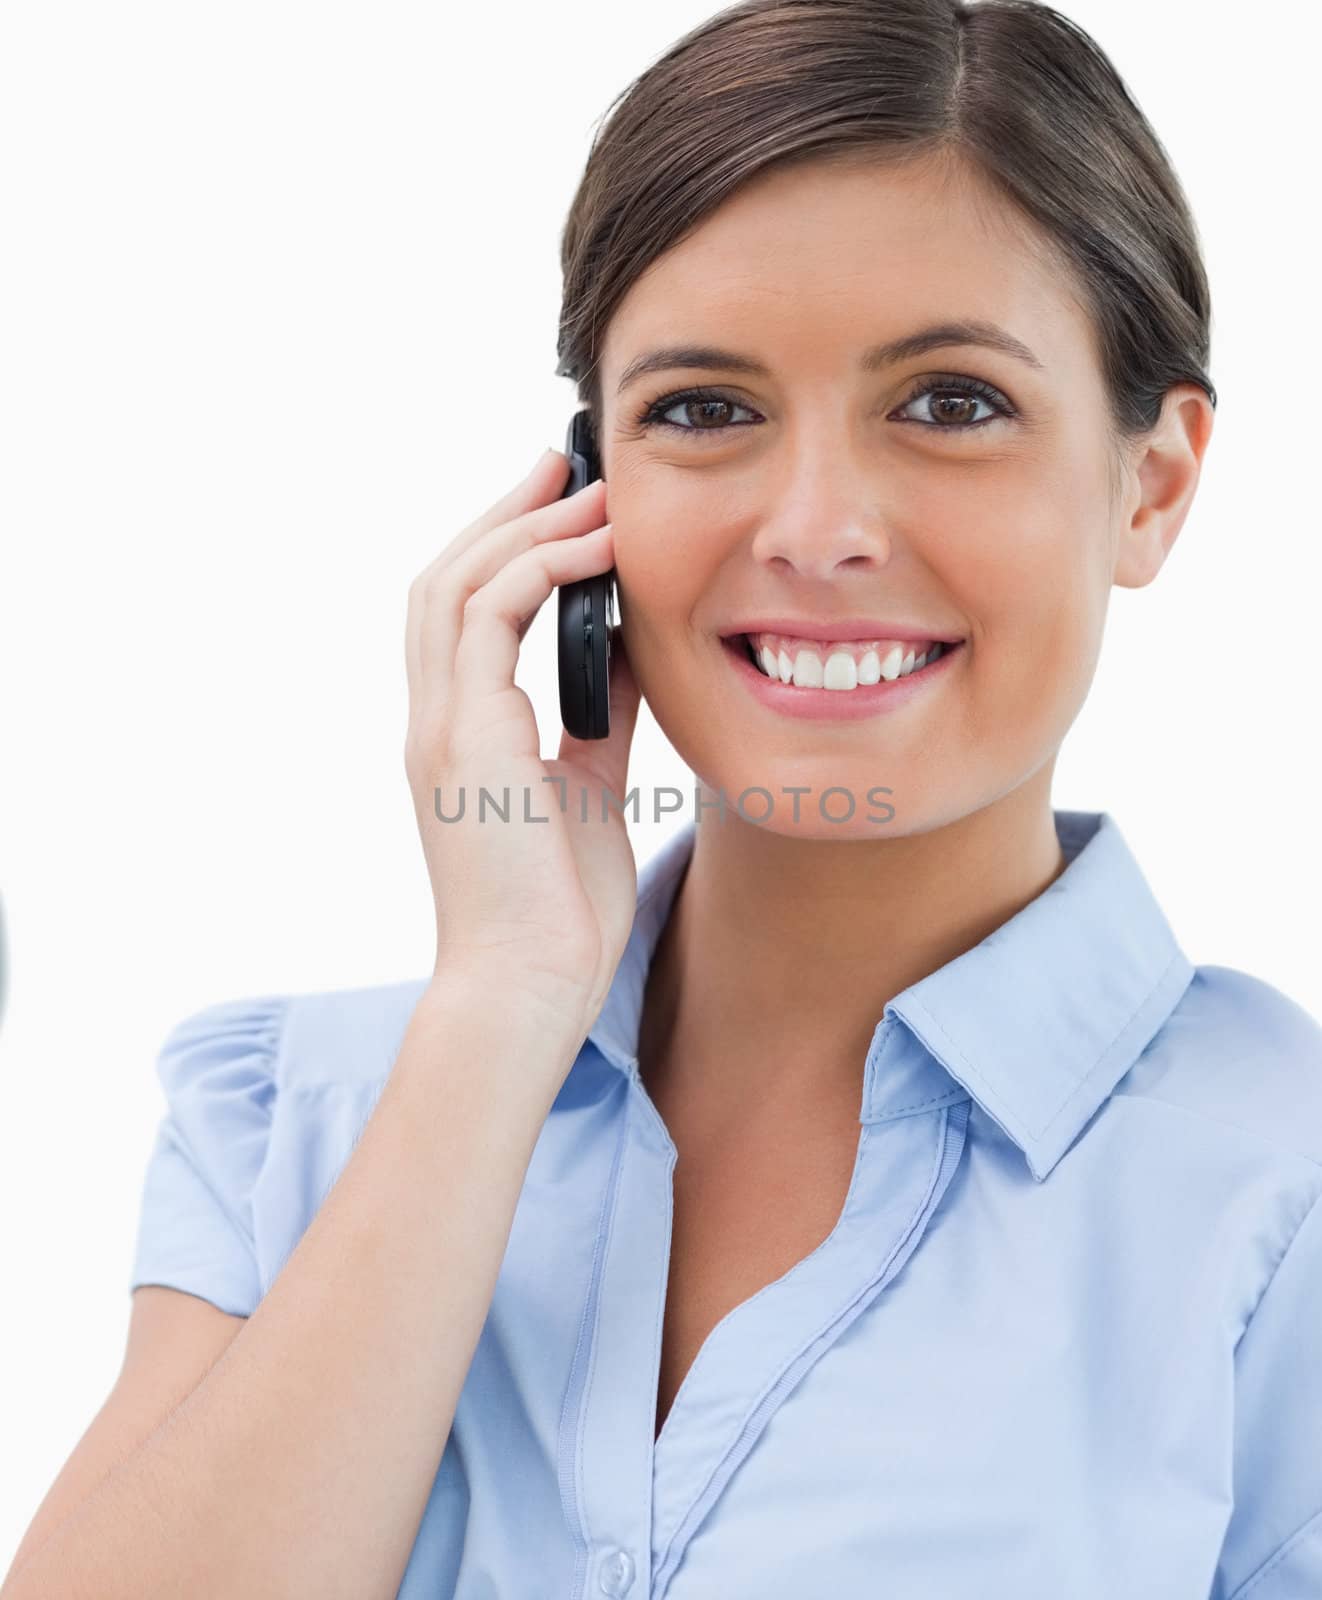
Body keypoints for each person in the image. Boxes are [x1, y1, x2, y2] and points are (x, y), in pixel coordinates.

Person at [6, 0, 1321, 1595]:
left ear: (1152, 481)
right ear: (578, 503)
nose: (818, 526)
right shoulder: (297, 1120)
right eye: (704, 409)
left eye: (949, 402)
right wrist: (503, 1008)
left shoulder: (1278, 1189)